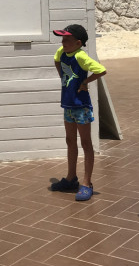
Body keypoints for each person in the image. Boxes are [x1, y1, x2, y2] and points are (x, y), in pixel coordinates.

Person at [50, 24, 107, 202]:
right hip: (68, 105)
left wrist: (84, 82)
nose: (63, 42)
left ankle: (87, 183)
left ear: (78, 43)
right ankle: (71, 178)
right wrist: (62, 76)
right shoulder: (62, 52)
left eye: (67, 39)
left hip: (81, 106)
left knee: (86, 143)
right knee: (70, 141)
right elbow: (56, 60)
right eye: (62, 38)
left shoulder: (81, 56)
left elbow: (101, 70)